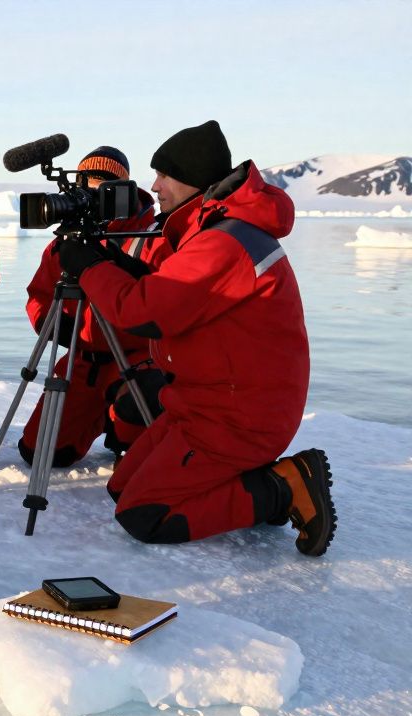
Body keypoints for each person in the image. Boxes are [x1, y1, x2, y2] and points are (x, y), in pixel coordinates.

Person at [58, 120, 337, 555]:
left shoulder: (224, 242)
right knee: (121, 487)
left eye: (164, 175)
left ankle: (283, 488)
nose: (155, 186)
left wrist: (90, 268)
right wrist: (109, 261)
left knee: (144, 514)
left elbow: (145, 314)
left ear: (194, 179)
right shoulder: (214, 230)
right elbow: (172, 292)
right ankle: (245, 480)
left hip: (238, 414)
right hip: (205, 402)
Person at [18, 146, 167, 468]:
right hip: (82, 362)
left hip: (136, 359)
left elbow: (165, 302)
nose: (93, 191)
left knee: (145, 400)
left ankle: (123, 429)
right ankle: (101, 416)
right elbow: (39, 294)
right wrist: (54, 327)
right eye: (87, 181)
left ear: (123, 189)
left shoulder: (152, 237)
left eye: (104, 182)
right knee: (41, 454)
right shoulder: (65, 242)